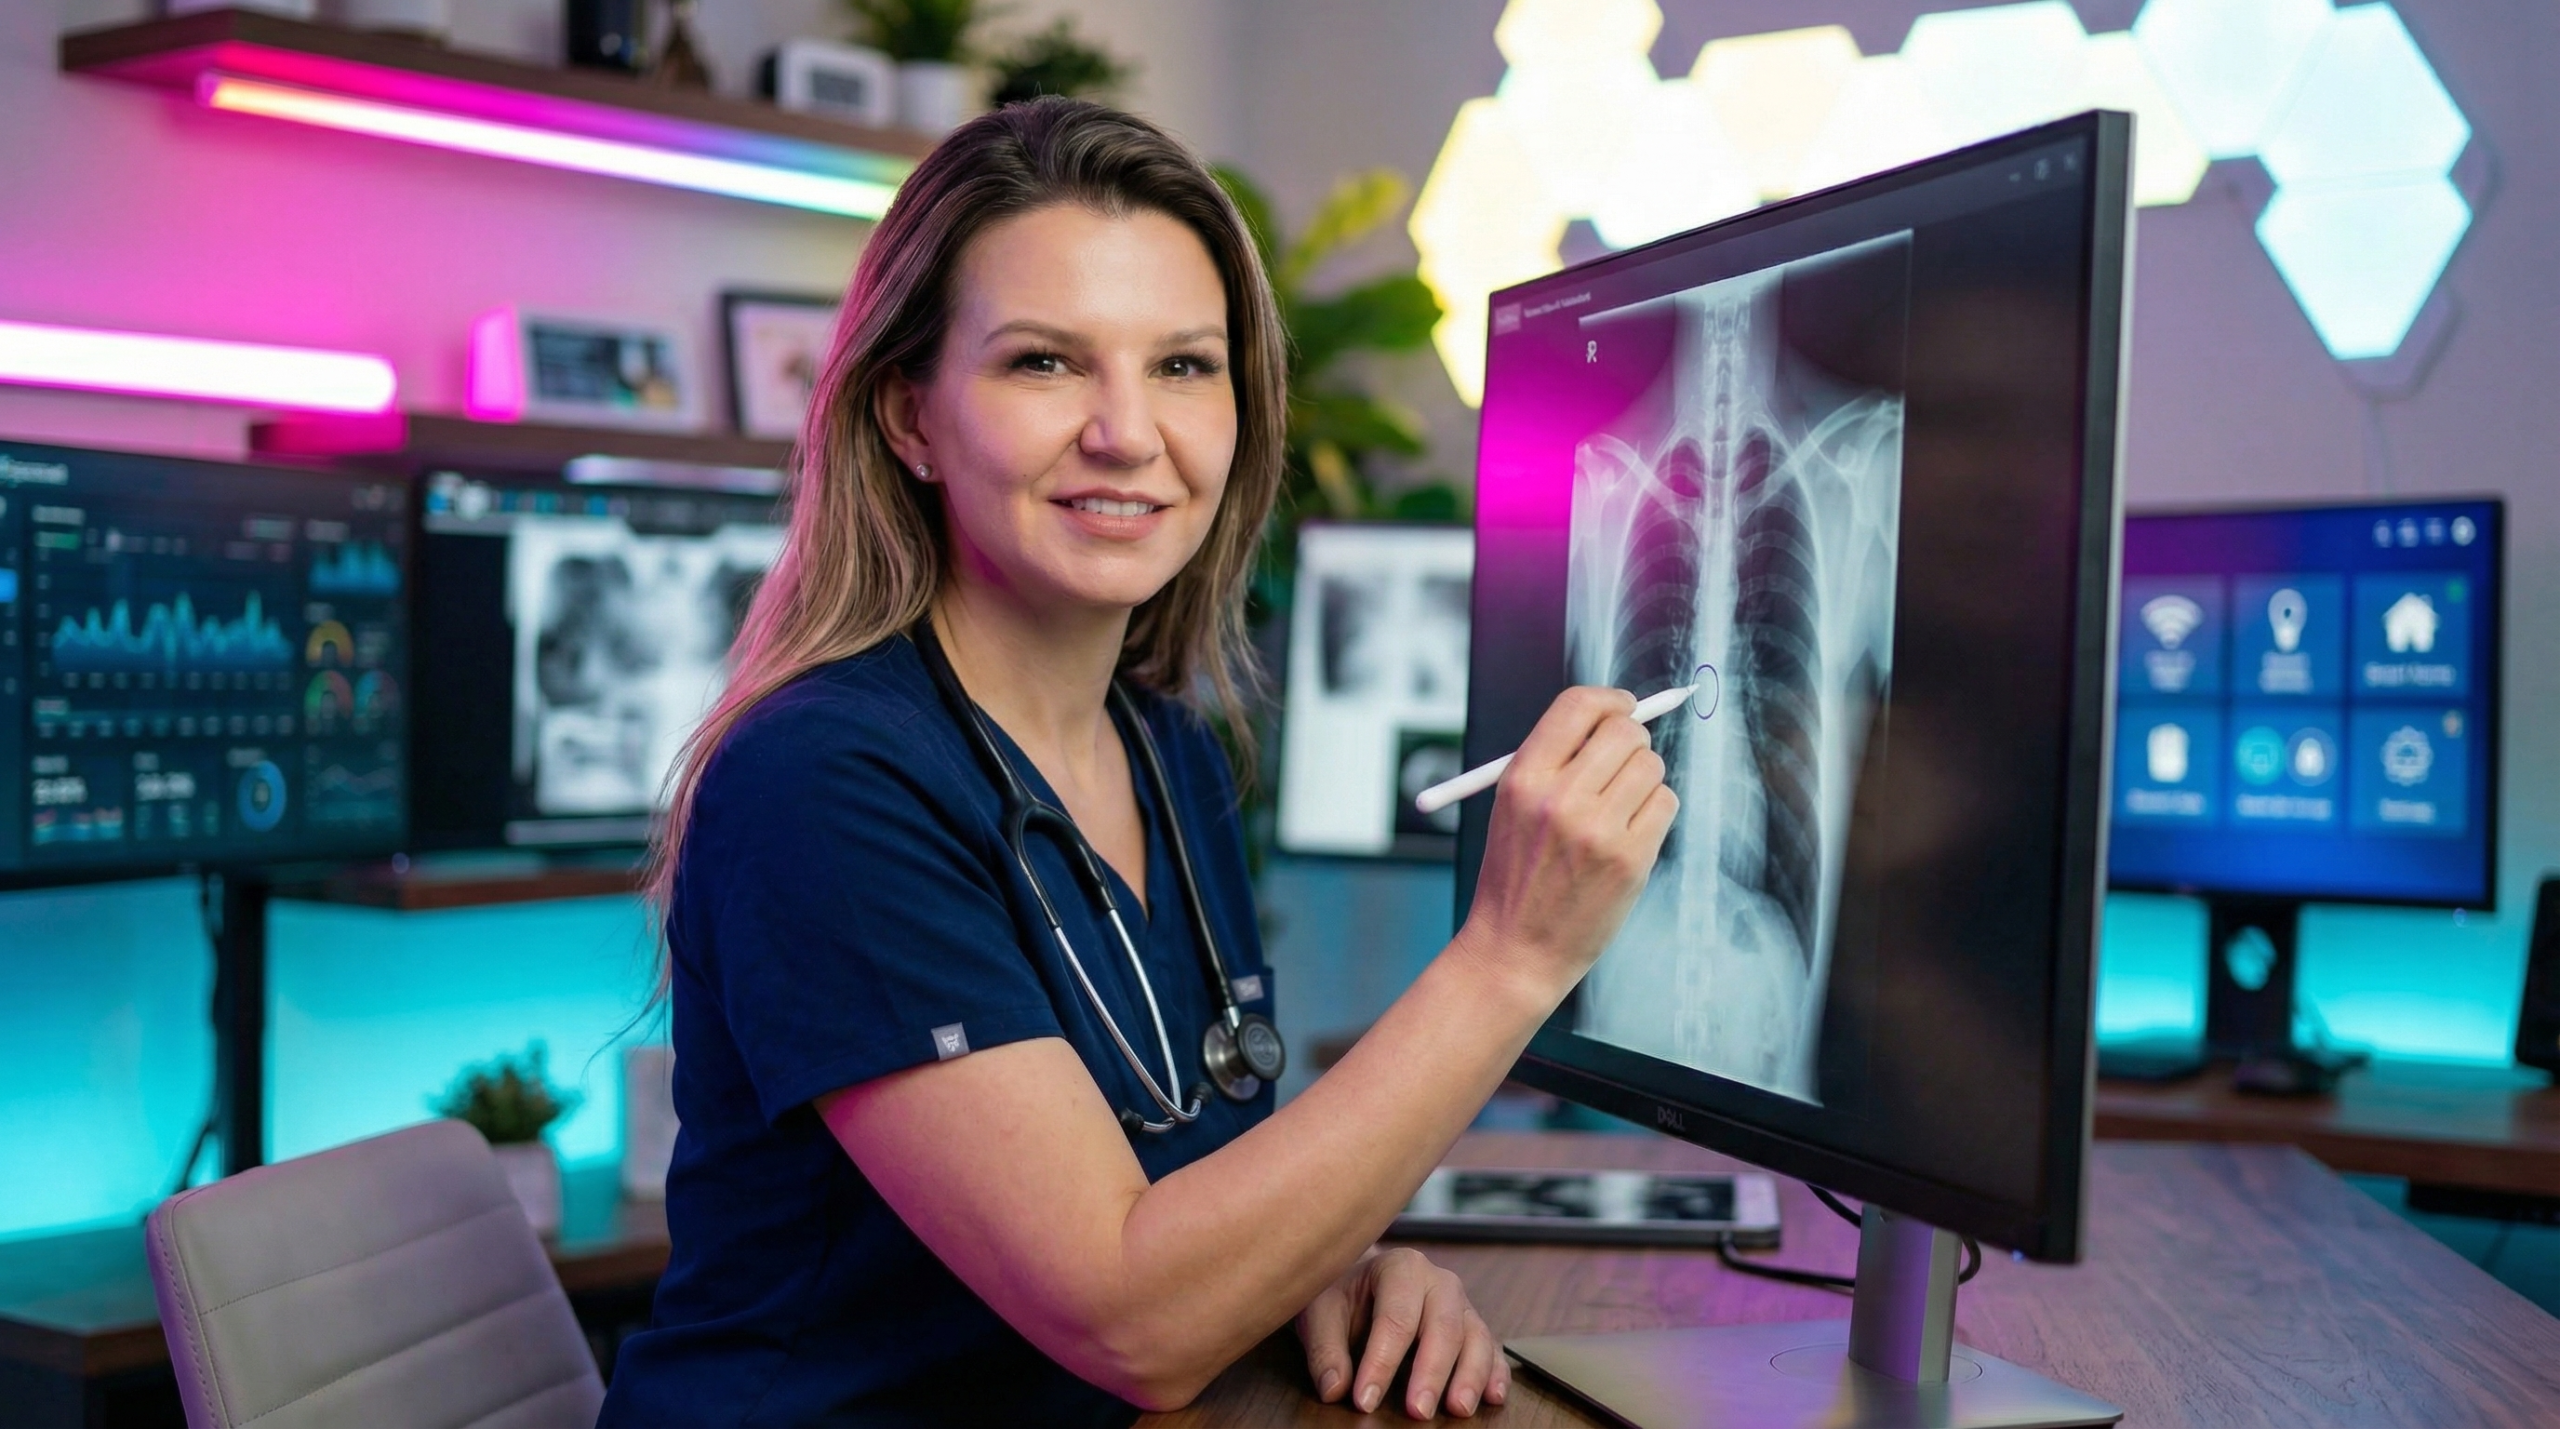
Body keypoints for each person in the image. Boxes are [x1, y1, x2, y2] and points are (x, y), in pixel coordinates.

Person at [596, 98, 1676, 1427]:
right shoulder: (820, 783)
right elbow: (1133, 1316)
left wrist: (1324, 1269)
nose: (1126, 431)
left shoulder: (1168, 750)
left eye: (1182, 366)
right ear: (910, 417)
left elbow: (1183, 1207)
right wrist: (1514, 956)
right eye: (1045, 362)